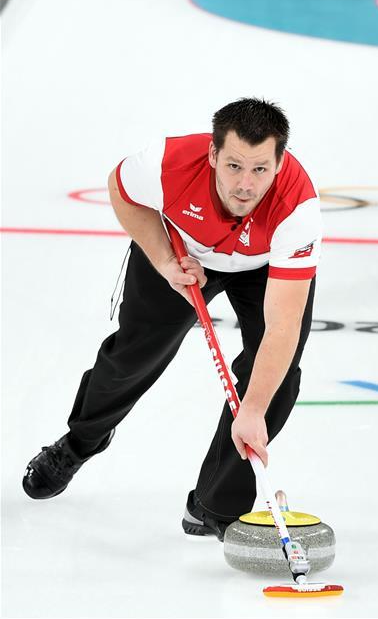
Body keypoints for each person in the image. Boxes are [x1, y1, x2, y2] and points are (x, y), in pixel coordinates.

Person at [22, 98, 322, 540]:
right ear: (213, 155)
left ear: (281, 163)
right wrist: (163, 261)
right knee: (133, 357)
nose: (245, 184)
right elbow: (122, 190)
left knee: (277, 378)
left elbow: (283, 327)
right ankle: (80, 441)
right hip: (182, 252)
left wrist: (253, 409)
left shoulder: (296, 209)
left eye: (261, 169)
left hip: (262, 265)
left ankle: (215, 505)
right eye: (234, 166)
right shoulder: (168, 163)